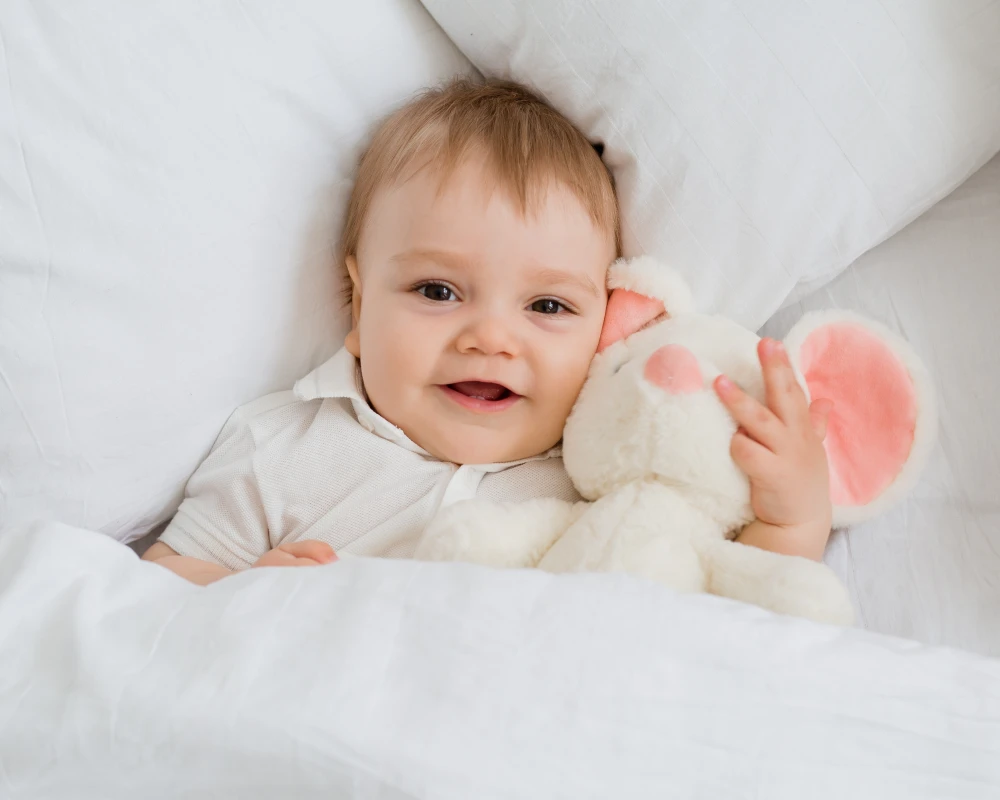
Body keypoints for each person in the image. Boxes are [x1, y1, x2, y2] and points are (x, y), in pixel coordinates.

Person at [143, 78, 833, 585]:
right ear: (357, 304)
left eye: (548, 307)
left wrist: (794, 516)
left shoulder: (605, 480)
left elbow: (736, 605)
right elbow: (153, 589)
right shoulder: (285, 446)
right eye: (437, 291)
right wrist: (249, 591)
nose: (492, 339)